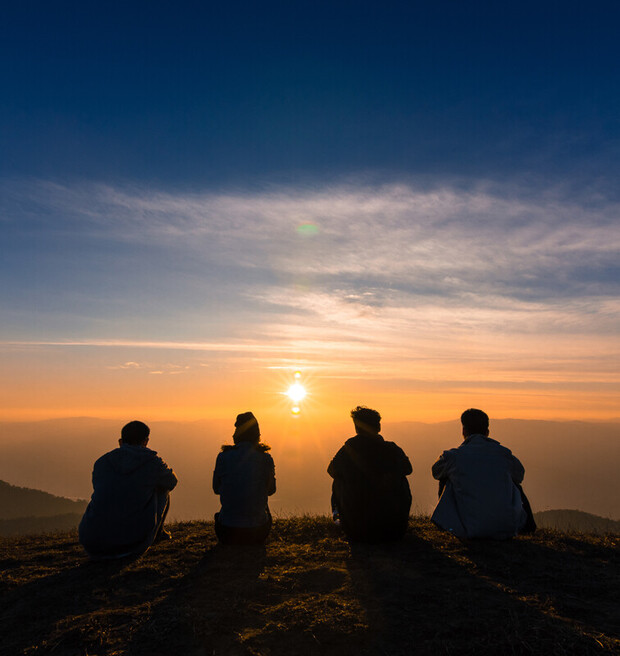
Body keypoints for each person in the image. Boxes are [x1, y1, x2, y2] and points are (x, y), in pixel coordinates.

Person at [431, 408, 536, 540]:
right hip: (506, 528)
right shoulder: (504, 455)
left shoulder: (453, 457)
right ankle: (529, 527)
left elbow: (436, 472)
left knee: (445, 478)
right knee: (514, 482)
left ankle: (446, 525)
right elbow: (519, 476)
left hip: (468, 529)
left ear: (463, 430)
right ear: (487, 432)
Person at [79, 420, 177, 559]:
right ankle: (158, 534)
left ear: (120, 441)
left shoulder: (102, 462)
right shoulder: (152, 462)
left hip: (92, 544)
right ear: (146, 441)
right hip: (131, 546)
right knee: (163, 488)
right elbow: (172, 482)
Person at [328, 406, 412, 543]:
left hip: (357, 531)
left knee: (338, 479)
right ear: (378, 427)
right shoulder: (392, 449)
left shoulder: (349, 449)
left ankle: (340, 520)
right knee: (401, 477)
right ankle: (397, 518)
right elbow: (408, 469)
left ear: (357, 428)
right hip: (393, 531)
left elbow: (331, 470)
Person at [213, 412, 276, 545]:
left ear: (237, 433)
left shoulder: (223, 457)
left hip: (226, 532)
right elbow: (271, 490)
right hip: (257, 533)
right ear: (257, 434)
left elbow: (216, 489)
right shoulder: (265, 459)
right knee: (262, 497)